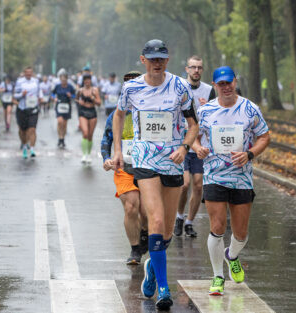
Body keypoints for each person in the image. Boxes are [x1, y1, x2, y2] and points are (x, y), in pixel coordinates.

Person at [112, 39, 198, 310]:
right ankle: (163, 288)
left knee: (168, 230)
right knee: (156, 220)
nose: (157, 62)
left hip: (173, 160)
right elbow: (118, 115)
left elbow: (194, 124)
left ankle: (152, 268)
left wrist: (185, 147)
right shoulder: (131, 88)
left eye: (162, 58)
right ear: (143, 60)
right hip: (145, 161)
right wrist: (117, 150)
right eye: (152, 58)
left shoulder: (181, 87)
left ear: (168, 60)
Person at [192, 66, 270, 296]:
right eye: (221, 84)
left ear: (235, 82)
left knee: (241, 234)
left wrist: (250, 154)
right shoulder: (205, 111)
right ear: (214, 85)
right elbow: (193, 137)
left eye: (229, 82)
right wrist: (198, 148)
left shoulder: (250, 109)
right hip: (214, 175)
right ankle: (217, 276)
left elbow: (264, 136)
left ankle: (231, 256)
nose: (225, 87)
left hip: (241, 178)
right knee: (217, 227)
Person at [102, 70, 148, 264]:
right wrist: (106, 158)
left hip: (147, 167)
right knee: (131, 207)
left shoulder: (150, 111)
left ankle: (145, 232)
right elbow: (106, 139)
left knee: (146, 212)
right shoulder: (116, 114)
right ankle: (135, 249)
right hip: (124, 167)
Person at [174, 55, 216, 238]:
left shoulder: (209, 91)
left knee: (198, 186)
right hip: (183, 144)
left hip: (201, 147)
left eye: (199, 67)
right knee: (184, 184)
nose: (196, 71)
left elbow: (216, 115)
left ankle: (190, 222)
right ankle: (179, 217)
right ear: (187, 69)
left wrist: (209, 108)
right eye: (193, 67)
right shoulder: (178, 88)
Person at [13, 67, 43, 159]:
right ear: (24, 73)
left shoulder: (36, 81)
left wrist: (40, 98)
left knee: (32, 129)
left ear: (32, 73)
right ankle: (25, 146)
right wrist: (22, 94)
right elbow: (15, 95)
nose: (29, 74)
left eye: (30, 72)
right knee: (23, 131)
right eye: (27, 73)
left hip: (33, 108)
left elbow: (39, 92)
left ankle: (32, 149)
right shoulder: (19, 82)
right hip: (22, 108)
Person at [77, 74, 101, 163]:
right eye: (85, 80)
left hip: (92, 112)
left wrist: (93, 99)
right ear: (83, 81)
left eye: (88, 80)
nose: (87, 82)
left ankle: (89, 154)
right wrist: (80, 102)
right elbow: (76, 100)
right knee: (85, 133)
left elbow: (99, 103)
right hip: (83, 112)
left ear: (91, 81)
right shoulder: (80, 90)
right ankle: (84, 155)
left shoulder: (94, 90)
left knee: (90, 135)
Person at [52, 69, 75, 149]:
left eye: (64, 79)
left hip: (67, 106)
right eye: (61, 80)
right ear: (60, 79)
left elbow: (75, 96)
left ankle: (63, 139)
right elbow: (53, 94)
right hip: (59, 105)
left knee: (64, 124)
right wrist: (54, 98)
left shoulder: (70, 87)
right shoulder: (57, 86)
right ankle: (60, 137)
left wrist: (71, 96)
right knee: (60, 122)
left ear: (66, 79)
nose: (63, 81)